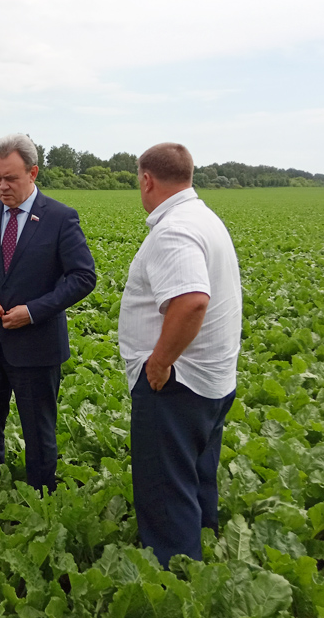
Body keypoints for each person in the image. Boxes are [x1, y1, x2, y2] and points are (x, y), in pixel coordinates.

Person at [0, 133, 96, 493]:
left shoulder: (60, 218)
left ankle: (41, 499)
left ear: (33, 173)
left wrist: (33, 311)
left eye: (10, 178)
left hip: (36, 345)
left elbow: (83, 276)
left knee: (39, 433)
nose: (2, 186)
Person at [118, 142, 242, 568]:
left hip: (177, 385)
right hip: (211, 378)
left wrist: (159, 362)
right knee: (195, 473)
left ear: (146, 180)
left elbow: (191, 301)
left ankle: (177, 574)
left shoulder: (174, 230)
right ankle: (202, 550)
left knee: (165, 490)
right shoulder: (204, 218)